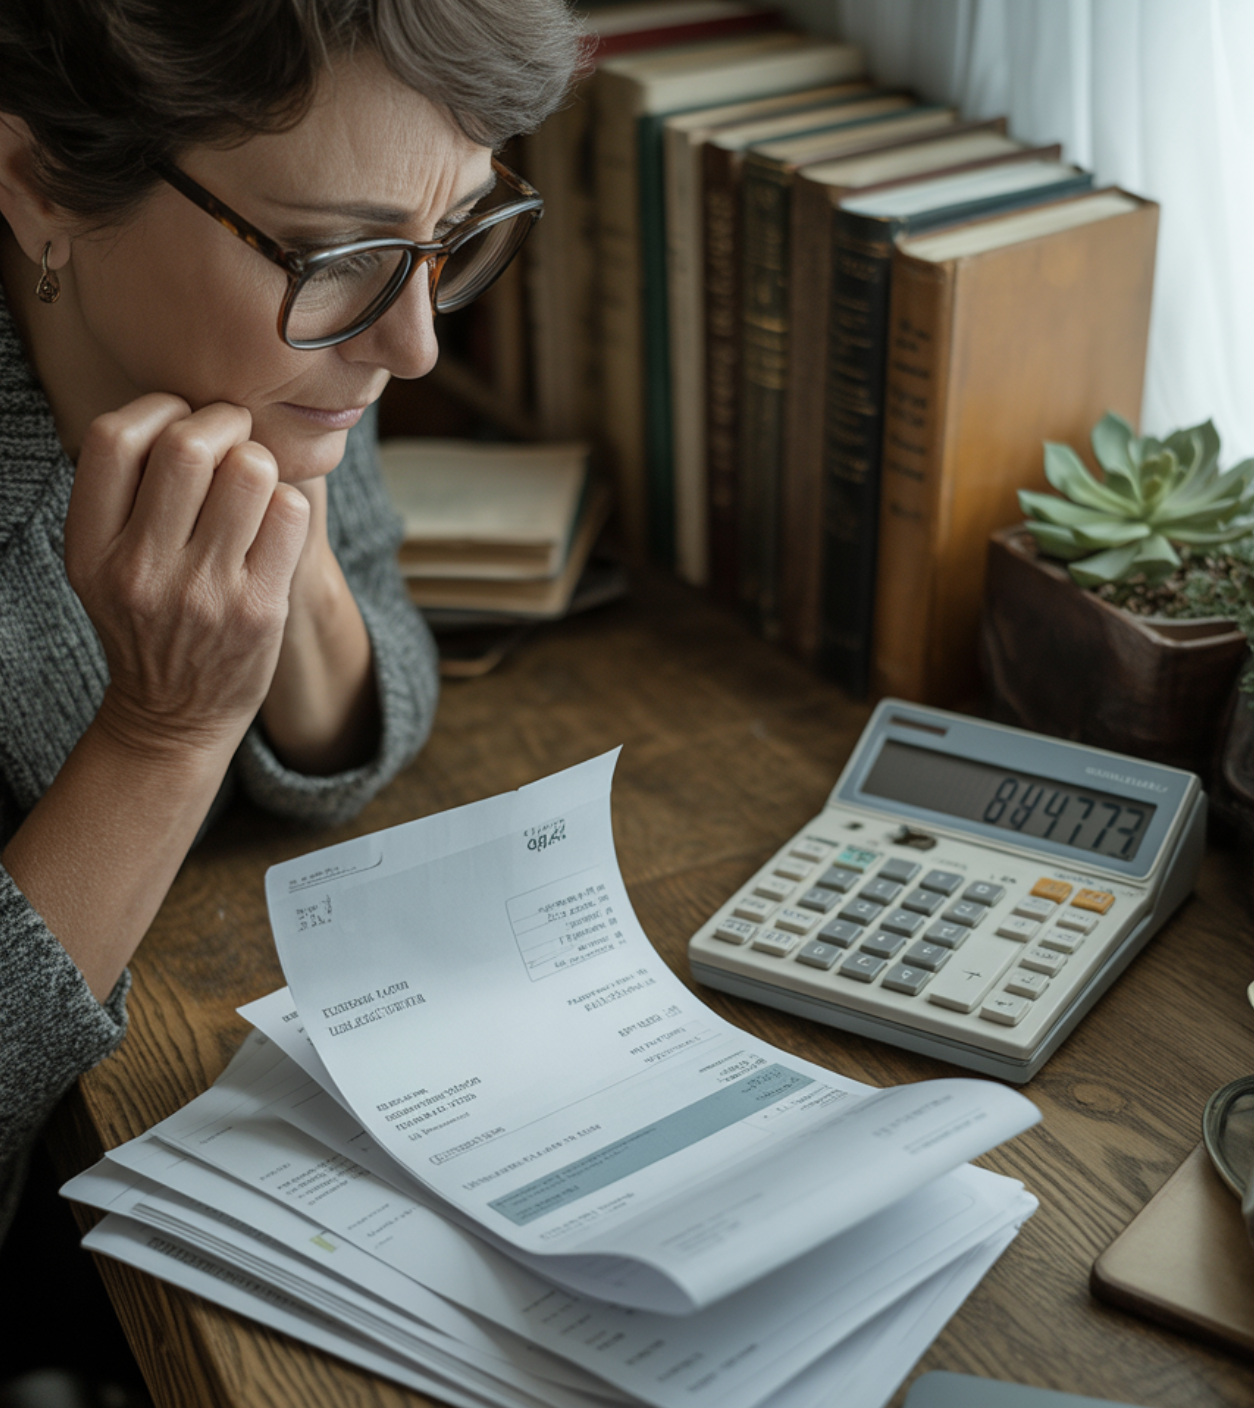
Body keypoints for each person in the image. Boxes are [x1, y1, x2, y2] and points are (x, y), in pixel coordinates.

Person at [0, 0, 583, 1254]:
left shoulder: (293, 345)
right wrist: (167, 732)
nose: (415, 346)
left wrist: (292, 525)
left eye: (450, 238)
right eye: (333, 252)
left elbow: (380, 663)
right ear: (40, 183)